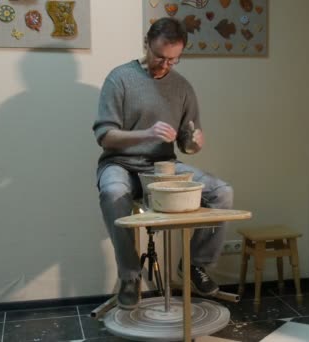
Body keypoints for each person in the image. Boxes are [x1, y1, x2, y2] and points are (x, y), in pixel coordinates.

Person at [93, 17, 233, 310]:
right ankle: (130, 277)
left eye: (173, 60)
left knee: (222, 192)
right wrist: (146, 133)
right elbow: (105, 136)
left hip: (162, 167)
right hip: (119, 163)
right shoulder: (119, 79)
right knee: (113, 192)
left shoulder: (182, 88)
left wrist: (194, 142)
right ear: (147, 44)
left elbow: (186, 141)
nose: (165, 65)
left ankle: (195, 265)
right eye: (160, 56)